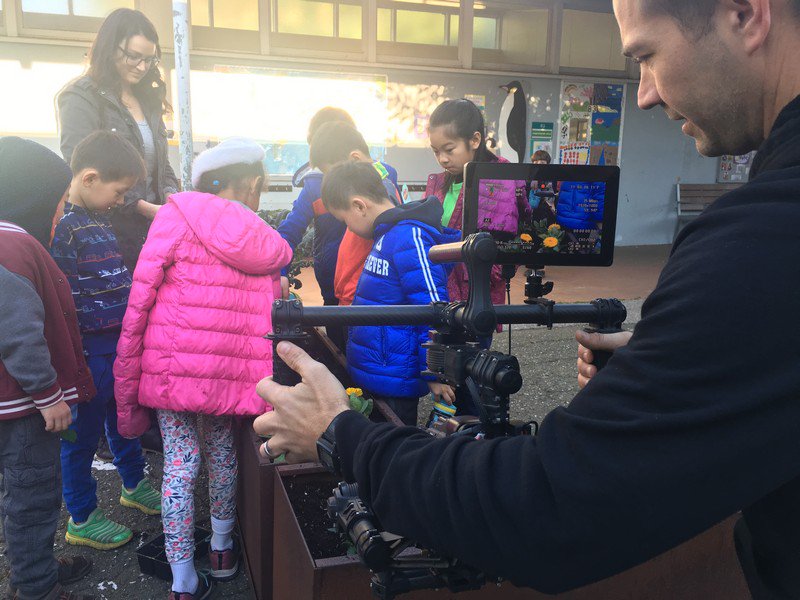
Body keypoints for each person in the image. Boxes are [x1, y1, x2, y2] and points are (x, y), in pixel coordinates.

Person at [253, 0, 800, 597]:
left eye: (646, 55)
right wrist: (670, 357)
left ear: (747, 15)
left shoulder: (762, 239)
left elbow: (554, 509)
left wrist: (341, 435)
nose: (643, 93)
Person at [114, 138, 291, 600]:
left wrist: (127, 378)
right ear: (252, 183)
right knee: (221, 454)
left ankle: (182, 580)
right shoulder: (262, 239)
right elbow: (274, 313)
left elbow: (141, 299)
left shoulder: (176, 215)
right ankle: (222, 551)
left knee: (179, 464)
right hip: (228, 378)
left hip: (170, 370)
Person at [50, 131, 161, 552]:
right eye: (118, 191)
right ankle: (81, 516)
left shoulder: (98, 218)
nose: (120, 200)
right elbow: (62, 298)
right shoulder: (64, 228)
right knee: (81, 434)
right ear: (91, 178)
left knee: (124, 418)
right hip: (87, 352)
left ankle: (132, 484)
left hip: (117, 344)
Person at [0, 136, 96, 600]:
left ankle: (32, 565)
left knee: (17, 496)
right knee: (33, 498)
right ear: (34, 195)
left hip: (12, 406)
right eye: (57, 202)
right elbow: (18, 332)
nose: (59, 215)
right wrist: (49, 394)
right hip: (25, 409)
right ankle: (37, 588)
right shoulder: (12, 244)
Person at [320, 161, 459, 425]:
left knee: (396, 446)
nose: (348, 228)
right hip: (381, 371)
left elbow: (433, 307)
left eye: (344, 221)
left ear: (359, 206)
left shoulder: (409, 236)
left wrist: (435, 372)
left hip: (396, 378)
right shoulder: (387, 234)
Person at [57, 8, 178, 272]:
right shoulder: (81, 96)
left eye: (150, 60)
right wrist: (145, 207)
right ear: (110, 49)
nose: (142, 67)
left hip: (153, 231)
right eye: (134, 56)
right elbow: (83, 166)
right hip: (106, 231)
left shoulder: (149, 101)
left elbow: (162, 165)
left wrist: (173, 199)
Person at [277, 108, 398, 350]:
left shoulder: (385, 177)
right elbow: (289, 231)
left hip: (376, 286)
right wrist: (280, 271)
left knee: (374, 346)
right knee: (339, 347)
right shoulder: (314, 186)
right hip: (334, 284)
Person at [425, 99, 530, 306]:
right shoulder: (437, 182)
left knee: (475, 338)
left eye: (449, 149)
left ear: (474, 140)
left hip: (478, 293)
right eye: (436, 151)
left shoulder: (502, 180)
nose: (442, 159)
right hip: (440, 289)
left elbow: (517, 232)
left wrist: (492, 274)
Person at [308, 122, 402, 308]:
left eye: (333, 171)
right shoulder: (373, 194)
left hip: (360, 303)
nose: (333, 179)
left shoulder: (377, 199)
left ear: (355, 159)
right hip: (351, 300)